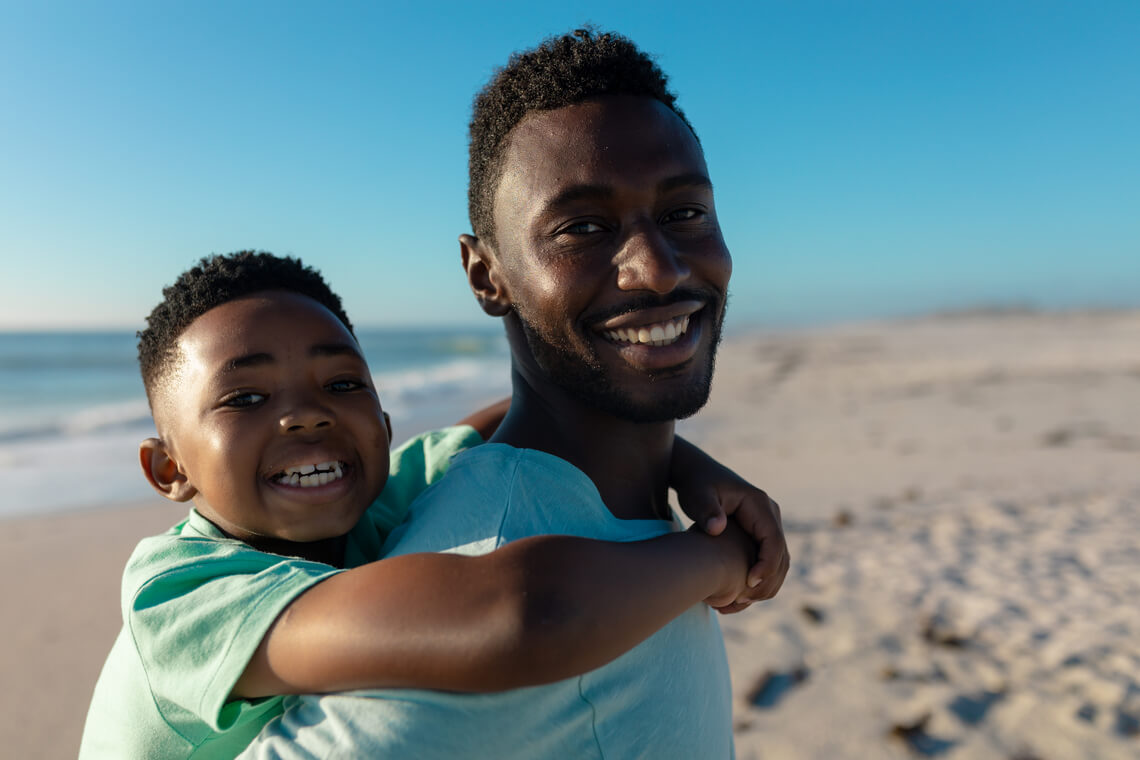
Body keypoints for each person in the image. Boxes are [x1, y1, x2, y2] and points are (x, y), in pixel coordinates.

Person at [240, 28, 788, 759]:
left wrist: (684, 465)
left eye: (685, 213)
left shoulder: (607, 508)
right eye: (583, 228)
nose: (657, 269)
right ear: (485, 277)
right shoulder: (484, 588)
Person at [78, 250, 784, 759]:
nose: (305, 416)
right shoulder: (180, 596)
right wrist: (714, 556)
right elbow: (516, 617)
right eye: (246, 398)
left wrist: (692, 464)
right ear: (169, 469)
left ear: (385, 429)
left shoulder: (376, 499)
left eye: (342, 384)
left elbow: (531, 410)